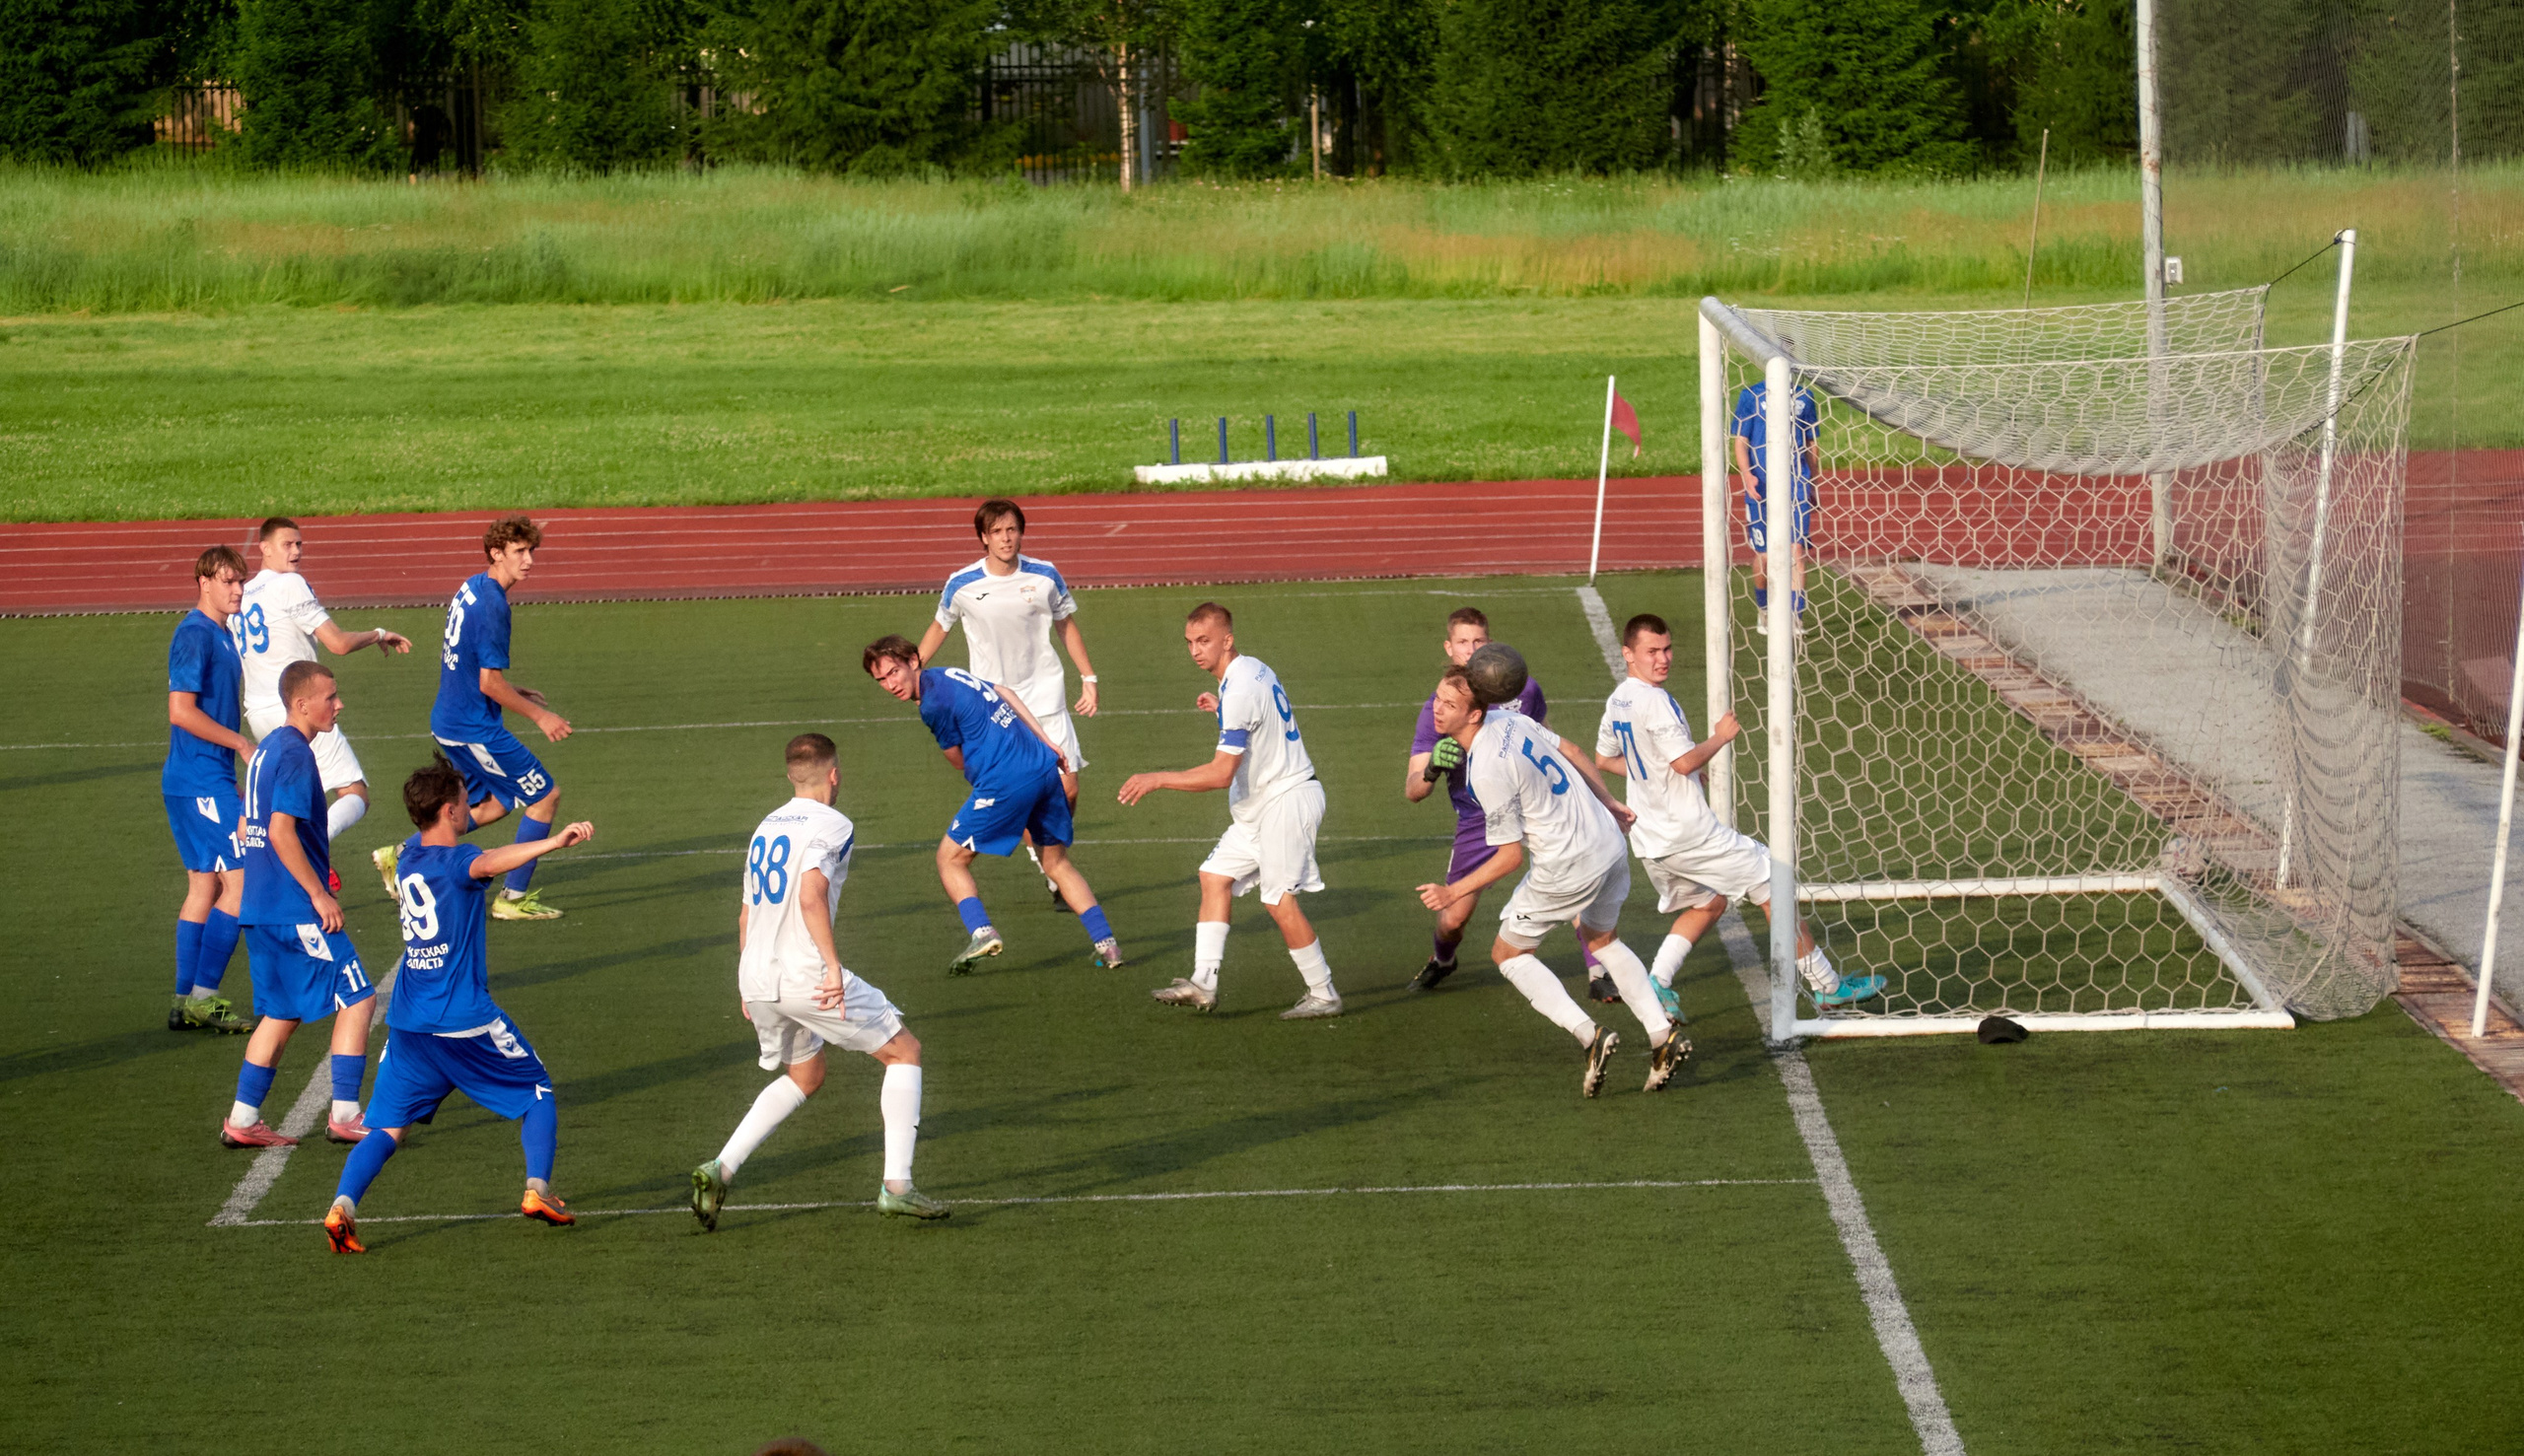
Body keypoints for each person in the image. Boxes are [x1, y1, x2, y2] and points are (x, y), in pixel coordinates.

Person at [320, 756, 596, 1254]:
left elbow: (428, 848)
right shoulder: (456, 861)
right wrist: (554, 841)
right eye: (466, 801)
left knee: (387, 1128)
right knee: (537, 1092)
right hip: (462, 1019)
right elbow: (488, 862)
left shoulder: (408, 857)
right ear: (448, 811)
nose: (471, 808)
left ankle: (343, 1206)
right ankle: (537, 1191)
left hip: (408, 1024)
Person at [689, 733, 948, 1229]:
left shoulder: (766, 826)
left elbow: (746, 912)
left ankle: (719, 1168)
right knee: (904, 1051)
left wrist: (749, 982)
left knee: (806, 1076)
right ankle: (898, 1186)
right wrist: (831, 966)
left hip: (759, 975)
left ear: (791, 776)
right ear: (834, 774)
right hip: (805, 973)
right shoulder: (832, 823)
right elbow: (812, 894)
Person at [1415, 646, 1687, 1097]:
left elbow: (1508, 857)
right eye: (1438, 700)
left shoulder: (1485, 766)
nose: (1437, 710)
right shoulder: (1515, 721)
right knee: (1603, 939)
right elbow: (1574, 749)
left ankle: (1590, 1036)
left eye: (1449, 705)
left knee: (1509, 954)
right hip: (1608, 844)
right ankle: (1662, 1036)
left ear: (1476, 713)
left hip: (1567, 864)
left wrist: (1452, 891)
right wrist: (1612, 803)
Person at [1593, 614, 1885, 1013]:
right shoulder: (1654, 701)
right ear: (1628, 654)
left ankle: (1655, 984)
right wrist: (1720, 738)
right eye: (1652, 651)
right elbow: (1680, 763)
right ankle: (1828, 986)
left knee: (1708, 904)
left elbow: (1605, 759)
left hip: (1651, 839)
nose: (1663, 659)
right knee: (1775, 883)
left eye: (1667, 648)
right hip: (1688, 834)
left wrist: (1664, 773)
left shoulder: (1619, 699)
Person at [1118, 602, 1342, 1019]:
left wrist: (1157, 778)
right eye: (1189, 643)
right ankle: (1204, 982)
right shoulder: (1251, 669)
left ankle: (1324, 994)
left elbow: (1222, 773)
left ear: (1227, 640)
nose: (1195, 651)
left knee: (1279, 903)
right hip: (1262, 806)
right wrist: (1221, 709)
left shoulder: (1237, 690)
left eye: (1203, 641)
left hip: (1286, 801)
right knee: (1214, 877)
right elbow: (1258, 718)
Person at [863, 635, 1123, 974]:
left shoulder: (931, 705)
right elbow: (1006, 693)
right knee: (1056, 864)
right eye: (881, 680)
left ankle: (982, 932)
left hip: (1006, 782)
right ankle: (1108, 946)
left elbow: (956, 760)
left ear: (913, 660)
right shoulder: (951, 674)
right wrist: (1047, 742)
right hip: (1042, 766)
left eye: (893, 672)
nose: (889, 684)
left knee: (950, 859)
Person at [1403, 605, 1618, 1002]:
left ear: (1490, 646)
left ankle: (1598, 970)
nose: (1471, 652)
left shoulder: (1523, 690)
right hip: (1478, 821)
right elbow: (1413, 789)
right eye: (1463, 643)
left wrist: (1600, 799)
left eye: (1479, 642)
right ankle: (1444, 959)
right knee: (1452, 919)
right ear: (1449, 649)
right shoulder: (1441, 708)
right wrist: (1433, 769)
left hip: (1538, 808)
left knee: (1571, 879)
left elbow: (1555, 746)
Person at [217, 661, 379, 1148]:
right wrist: (316, 892)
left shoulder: (266, 751)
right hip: (293, 909)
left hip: (260, 908)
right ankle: (346, 1114)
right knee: (360, 997)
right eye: (330, 697)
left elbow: (250, 829)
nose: (339, 704)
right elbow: (282, 831)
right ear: (300, 703)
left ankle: (242, 1120)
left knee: (281, 1012)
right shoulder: (294, 756)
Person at [917, 498, 1100, 911]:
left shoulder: (1045, 575)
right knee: (1021, 787)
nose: (1006, 537)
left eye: (1012, 529)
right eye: (997, 531)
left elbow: (1066, 625)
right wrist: (912, 671)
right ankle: (1052, 868)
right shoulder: (961, 583)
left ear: (1021, 532)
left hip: (1045, 694)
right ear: (983, 537)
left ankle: (1047, 855)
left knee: (1067, 787)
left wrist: (1088, 678)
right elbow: (939, 627)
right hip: (994, 705)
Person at [387, 514, 573, 921]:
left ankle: (398, 855)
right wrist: (539, 716)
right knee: (545, 796)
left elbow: (465, 660)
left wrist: (512, 688)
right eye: (520, 552)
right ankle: (512, 898)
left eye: (531, 552)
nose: (529, 561)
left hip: (452, 720)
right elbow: (489, 683)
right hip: (473, 727)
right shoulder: (494, 604)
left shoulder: (472, 586)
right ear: (496, 553)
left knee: (494, 803)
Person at [237, 517, 413, 844]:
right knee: (355, 794)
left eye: (299, 544)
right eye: (287, 544)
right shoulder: (289, 584)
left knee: (280, 802)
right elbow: (338, 643)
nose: (296, 551)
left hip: (258, 714)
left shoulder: (244, 593)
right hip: (296, 708)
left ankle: (259, 864)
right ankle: (309, 849)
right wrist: (378, 634)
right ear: (264, 548)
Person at [165, 545, 253, 1034]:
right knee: (240, 883)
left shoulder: (221, 633)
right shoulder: (195, 635)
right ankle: (204, 997)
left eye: (241, 582)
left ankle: (184, 1001)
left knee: (205, 884)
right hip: (202, 781)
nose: (237, 590)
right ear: (203, 582)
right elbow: (181, 710)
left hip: (195, 779)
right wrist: (239, 742)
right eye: (228, 581)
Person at [1730, 377, 1821, 635]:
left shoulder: (1805, 397)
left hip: (1796, 484)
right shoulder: (1752, 395)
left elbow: (1811, 442)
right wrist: (1747, 474)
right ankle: (1765, 610)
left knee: (1797, 553)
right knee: (1766, 555)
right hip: (1761, 485)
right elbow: (1741, 439)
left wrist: (1812, 483)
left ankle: (1795, 618)